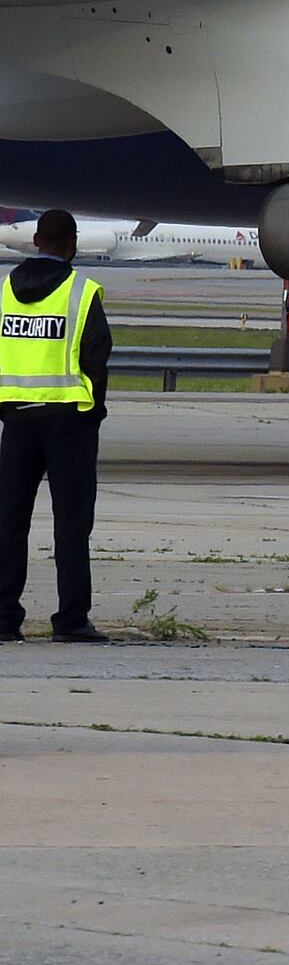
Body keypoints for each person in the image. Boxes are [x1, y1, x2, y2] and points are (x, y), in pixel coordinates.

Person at [0, 210, 112, 644]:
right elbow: (97, 356)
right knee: (70, 525)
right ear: (73, 243)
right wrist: (92, 412)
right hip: (69, 422)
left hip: (17, 419)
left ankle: (4, 617)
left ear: (35, 239)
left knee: (10, 521)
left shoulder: (5, 290)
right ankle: (70, 620)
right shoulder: (81, 292)